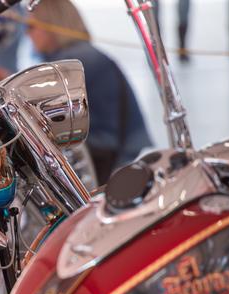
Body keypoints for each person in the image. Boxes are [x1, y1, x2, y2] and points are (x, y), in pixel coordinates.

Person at [26, 0, 153, 184]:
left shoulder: (75, 62)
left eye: (31, 26)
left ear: (51, 24)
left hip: (109, 156)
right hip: (114, 148)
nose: (27, 34)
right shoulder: (77, 57)